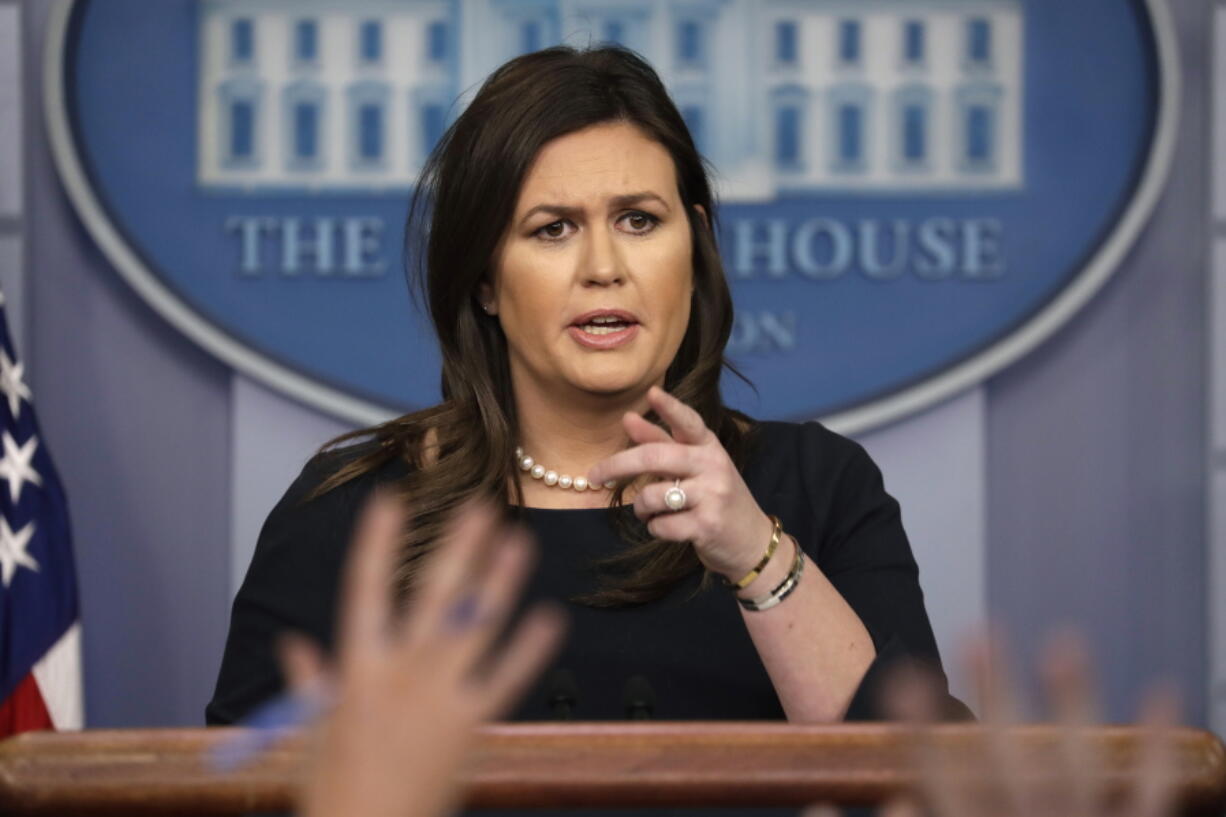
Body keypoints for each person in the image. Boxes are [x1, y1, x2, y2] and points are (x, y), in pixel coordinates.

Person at [207, 44, 969, 731]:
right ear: (484, 281)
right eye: (552, 229)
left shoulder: (818, 489)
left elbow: (923, 786)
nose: (604, 265)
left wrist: (754, 553)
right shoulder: (356, 510)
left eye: (639, 220)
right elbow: (228, 789)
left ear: (695, 248)